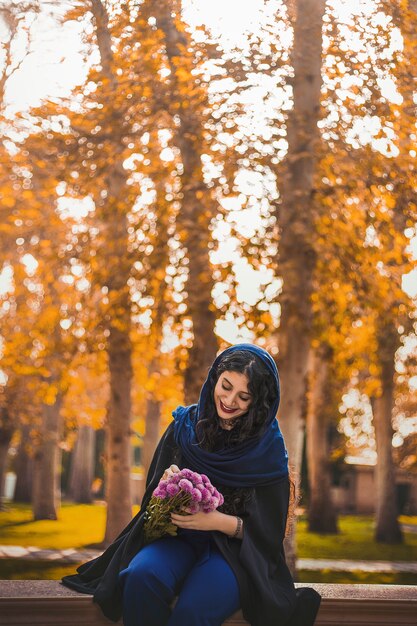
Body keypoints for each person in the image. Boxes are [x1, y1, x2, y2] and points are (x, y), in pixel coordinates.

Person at [62, 343, 321, 626]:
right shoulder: (183, 427)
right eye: (226, 386)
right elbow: (151, 507)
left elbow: (269, 534)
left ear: (258, 402)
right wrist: (164, 486)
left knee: (193, 612)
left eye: (244, 396)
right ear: (214, 377)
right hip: (176, 538)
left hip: (234, 554)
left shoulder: (268, 450)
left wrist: (218, 521)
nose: (230, 400)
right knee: (139, 577)